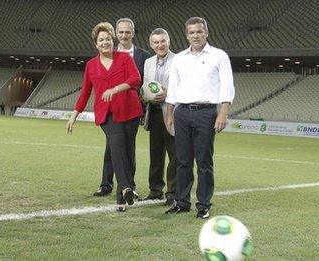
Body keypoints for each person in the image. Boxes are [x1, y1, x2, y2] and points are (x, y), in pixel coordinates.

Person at [67, 22, 142, 212]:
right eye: (101, 40)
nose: (105, 42)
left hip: (130, 111)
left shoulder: (124, 58)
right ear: (96, 44)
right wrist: (74, 115)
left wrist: (116, 89)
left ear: (112, 40)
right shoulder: (91, 65)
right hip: (107, 115)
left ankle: (123, 197)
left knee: (128, 152)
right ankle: (126, 186)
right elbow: (85, 92)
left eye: (108, 39)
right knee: (117, 147)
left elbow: (135, 79)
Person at [164, 17, 235, 219]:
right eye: (192, 32)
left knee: (204, 161)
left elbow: (227, 85)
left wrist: (223, 112)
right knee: (183, 161)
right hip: (182, 112)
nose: (196, 35)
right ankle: (182, 202)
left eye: (199, 31)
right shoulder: (179, 58)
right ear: (187, 35)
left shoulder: (219, 56)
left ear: (206, 33)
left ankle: (203, 204)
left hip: (206, 112)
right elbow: (174, 89)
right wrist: (169, 114)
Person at [93, 17, 151, 198]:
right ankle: (106, 184)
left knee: (127, 149)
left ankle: (128, 187)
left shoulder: (145, 56)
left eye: (128, 32)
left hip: (132, 110)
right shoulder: (108, 52)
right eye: (121, 32)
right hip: (111, 112)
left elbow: (145, 82)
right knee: (111, 148)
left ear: (133, 33)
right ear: (115, 34)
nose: (124, 35)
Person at [141, 28, 176, 206]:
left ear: (168, 41)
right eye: (156, 42)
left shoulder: (179, 60)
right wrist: (147, 95)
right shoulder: (148, 62)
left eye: (163, 41)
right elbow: (145, 86)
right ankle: (155, 190)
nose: (160, 45)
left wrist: (168, 93)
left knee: (175, 155)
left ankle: (172, 193)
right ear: (151, 45)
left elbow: (184, 86)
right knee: (156, 155)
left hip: (173, 113)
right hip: (154, 112)